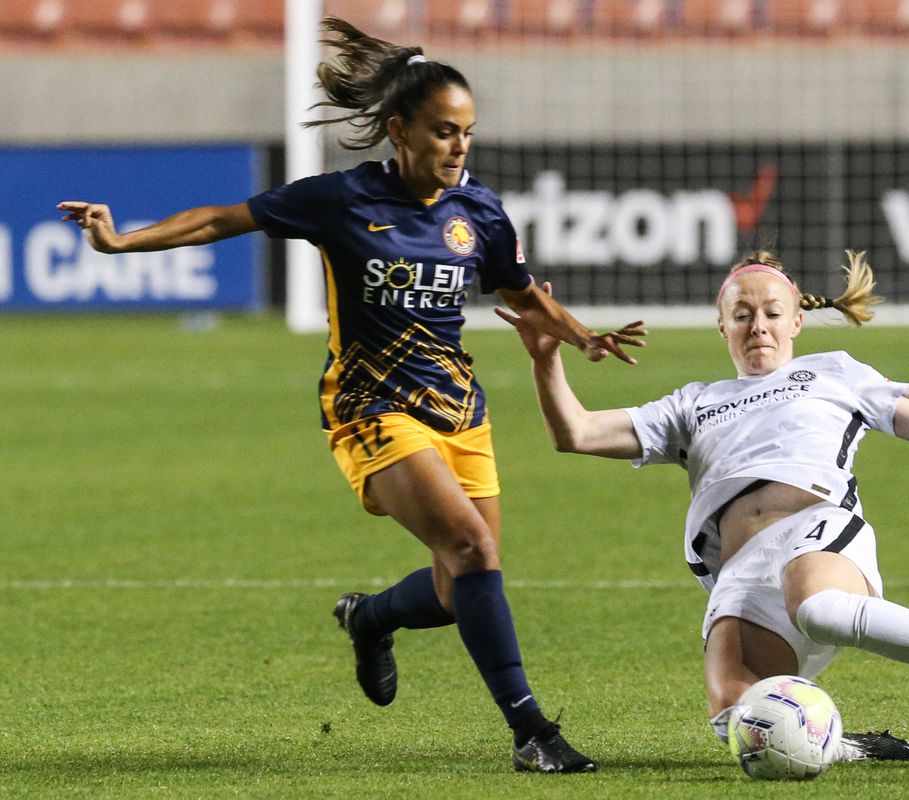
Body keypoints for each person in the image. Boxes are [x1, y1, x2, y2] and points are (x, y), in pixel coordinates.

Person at [57, 16, 646, 774]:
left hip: (459, 408)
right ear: (398, 131)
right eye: (443, 132)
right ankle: (532, 731)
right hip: (371, 407)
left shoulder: (481, 212)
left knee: (455, 582)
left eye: (466, 133)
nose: (459, 148)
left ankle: (369, 618)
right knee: (472, 546)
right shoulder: (340, 200)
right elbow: (221, 219)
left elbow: (521, 292)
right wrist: (123, 240)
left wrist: (578, 334)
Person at [497, 249, 909, 763]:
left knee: (819, 604)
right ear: (722, 327)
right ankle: (844, 746)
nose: (758, 326)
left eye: (771, 312)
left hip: (818, 531)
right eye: (741, 314)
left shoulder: (836, 373)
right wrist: (546, 357)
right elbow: (573, 434)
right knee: (737, 720)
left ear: (797, 319)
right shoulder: (692, 403)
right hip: (740, 575)